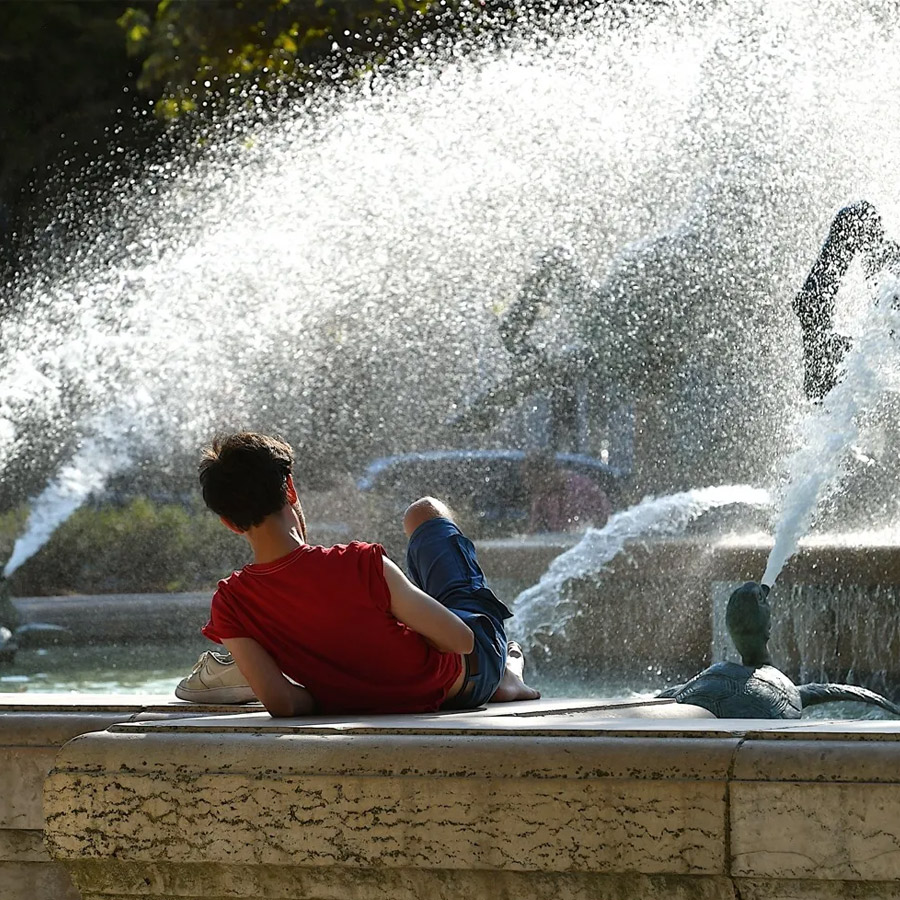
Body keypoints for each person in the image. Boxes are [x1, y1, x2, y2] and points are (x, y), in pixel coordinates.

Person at [175, 432, 540, 716]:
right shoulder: (359, 563)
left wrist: (353, 690)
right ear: (289, 488)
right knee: (423, 513)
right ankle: (506, 675)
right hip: (471, 678)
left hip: (418, 695)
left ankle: (503, 675)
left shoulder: (231, 603)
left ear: (228, 522)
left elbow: (282, 701)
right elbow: (462, 641)